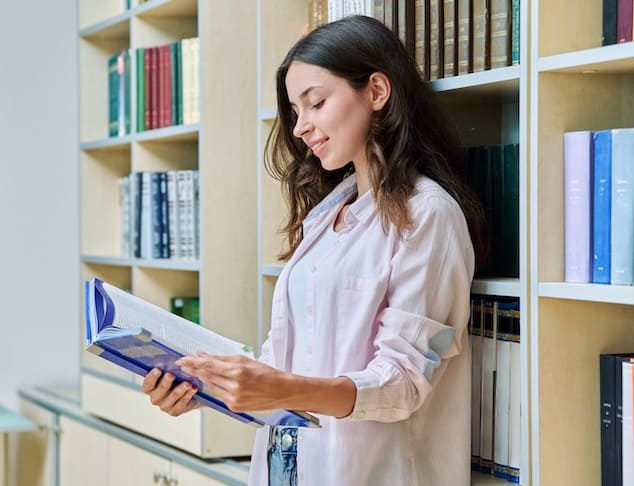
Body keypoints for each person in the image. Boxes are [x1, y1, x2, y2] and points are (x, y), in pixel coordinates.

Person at [142, 14, 485, 486]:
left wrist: (279, 386)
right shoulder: (326, 216)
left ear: (377, 92)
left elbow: (403, 383)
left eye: (316, 104)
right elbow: (285, 365)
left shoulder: (429, 215)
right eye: (295, 111)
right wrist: (205, 387)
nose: (301, 127)